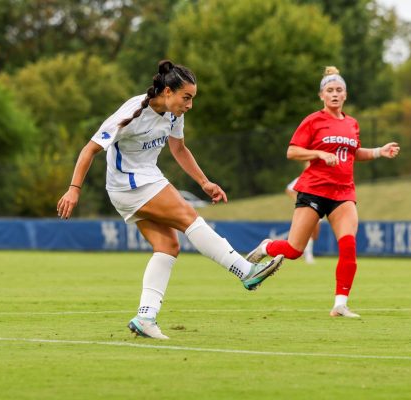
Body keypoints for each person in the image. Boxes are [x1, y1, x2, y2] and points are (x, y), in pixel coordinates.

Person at [56, 60, 284, 340]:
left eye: (192, 99)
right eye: (185, 97)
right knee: (189, 217)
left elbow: (179, 148)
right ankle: (244, 270)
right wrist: (74, 188)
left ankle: (145, 317)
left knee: (168, 246)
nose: (189, 104)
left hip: (144, 181)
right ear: (166, 92)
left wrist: (204, 182)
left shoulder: (175, 115)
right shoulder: (132, 112)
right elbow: (89, 150)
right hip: (130, 185)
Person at [246, 66, 400, 318]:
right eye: (330, 90)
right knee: (295, 250)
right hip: (313, 191)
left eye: (339, 90)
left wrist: (378, 151)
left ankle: (340, 304)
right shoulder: (313, 120)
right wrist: (318, 153)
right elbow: (292, 151)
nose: (335, 94)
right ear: (322, 96)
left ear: (346, 95)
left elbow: (354, 153)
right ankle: (267, 247)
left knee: (349, 244)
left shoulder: (352, 123)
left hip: (343, 193)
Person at [285, 163, 321, 264]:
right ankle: (308, 255)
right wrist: (296, 198)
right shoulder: (302, 178)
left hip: (319, 208)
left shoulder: (320, 178)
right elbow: (289, 189)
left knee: (315, 235)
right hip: (306, 208)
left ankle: (304, 252)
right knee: (307, 232)